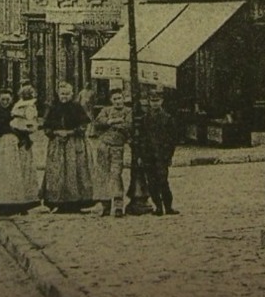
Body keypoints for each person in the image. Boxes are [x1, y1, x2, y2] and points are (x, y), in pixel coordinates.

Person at [41, 81, 94, 213]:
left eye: (67, 94)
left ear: (72, 94)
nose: (64, 96)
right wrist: (55, 132)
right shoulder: (53, 108)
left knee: (75, 171)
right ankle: (59, 202)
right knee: (57, 171)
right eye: (62, 94)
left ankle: (76, 203)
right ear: (58, 94)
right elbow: (46, 127)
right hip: (57, 144)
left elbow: (83, 125)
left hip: (74, 143)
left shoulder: (77, 108)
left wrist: (71, 132)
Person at [0, 88, 39, 217]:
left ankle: (22, 203)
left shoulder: (18, 110)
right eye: (3, 100)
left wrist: (24, 134)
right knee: (6, 174)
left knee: (22, 173)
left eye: (7, 99)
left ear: (12, 99)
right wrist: (13, 129)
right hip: (5, 145)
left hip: (20, 144)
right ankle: (4, 204)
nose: (5, 102)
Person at [90, 88, 133, 217]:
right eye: (115, 99)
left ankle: (118, 205)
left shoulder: (128, 111)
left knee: (116, 174)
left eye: (120, 98)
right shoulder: (106, 110)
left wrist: (111, 124)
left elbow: (128, 126)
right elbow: (97, 123)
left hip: (117, 147)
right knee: (103, 174)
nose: (118, 101)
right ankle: (105, 204)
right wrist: (111, 121)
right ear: (111, 100)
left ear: (124, 99)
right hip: (103, 146)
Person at [138, 89, 179, 215]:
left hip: (162, 155)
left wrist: (169, 155)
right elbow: (142, 139)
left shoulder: (167, 118)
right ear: (149, 102)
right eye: (152, 101)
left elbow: (172, 139)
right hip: (148, 155)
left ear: (162, 101)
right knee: (152, 182)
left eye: (157, 101)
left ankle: (168, 206)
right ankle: (158, 207)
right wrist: (141, 155)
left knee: (163, 181)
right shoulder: (145, 119)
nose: (155, 103)